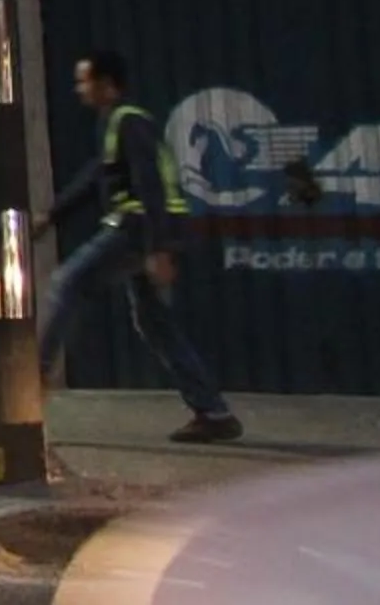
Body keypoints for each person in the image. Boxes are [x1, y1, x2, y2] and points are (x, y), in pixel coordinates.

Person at [38, 49, 240, 444]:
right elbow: (96, 174)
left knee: (66, 281)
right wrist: (53, 214)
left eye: (85, 81)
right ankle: (213, 412)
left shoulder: (129, 122)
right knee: (155, 323)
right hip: (145, 228)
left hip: (137, 227)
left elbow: (151, 184)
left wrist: (158, 248)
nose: (79, 89)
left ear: (107, 85)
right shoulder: (115, 123)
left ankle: (34, 377)